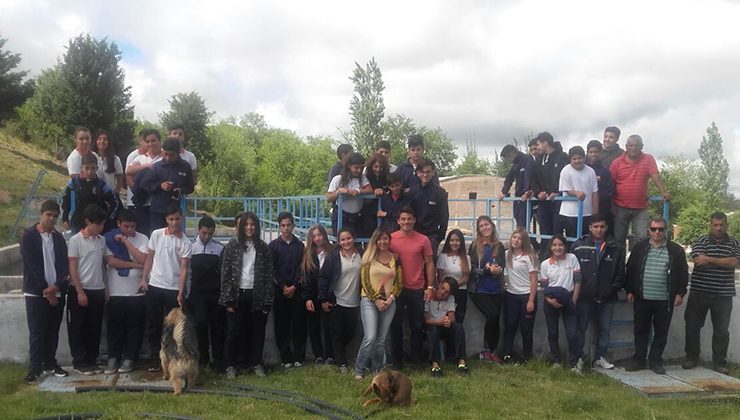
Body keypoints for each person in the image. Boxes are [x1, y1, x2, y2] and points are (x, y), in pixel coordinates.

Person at [624, 217, 688, 374]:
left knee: (661, 332)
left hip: (665, 300)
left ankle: (655, 361)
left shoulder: (676, 250)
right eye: (654, 229)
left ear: (665, 230)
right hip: (642, 298)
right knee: (640, 330)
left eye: (660, 229)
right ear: (649, 231)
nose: (657, 232)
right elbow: (630, 270)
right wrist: (629, 290)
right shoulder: (639, 247)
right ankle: (639, 360)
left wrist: (680, 293)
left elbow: (683, 273)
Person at [683, 212, 740, 374]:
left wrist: (709, 259)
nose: (718, 228)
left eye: (721, 225)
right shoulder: (701, 240)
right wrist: (722, 261)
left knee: (722, 330)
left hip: (723, 294)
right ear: (710, 225)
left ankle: (720, 362)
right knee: (692, 326)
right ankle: (692, 357)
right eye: (715, 225)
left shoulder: (734, 243)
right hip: (699, 292)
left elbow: (734, 262)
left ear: (726, 225)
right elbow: (698, 262)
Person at [220, 212, 275, 378]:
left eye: (252, 225)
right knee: (234, 331)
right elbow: (226, 273)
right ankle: (231, 365)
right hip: (237, 295)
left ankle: (256, 363)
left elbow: (268, 275)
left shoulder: (264, 248)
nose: (249, 228)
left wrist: (267, 300)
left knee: (258, 331)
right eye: (246, 225)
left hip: (257, 295)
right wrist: (228, 299)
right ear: (241, 227)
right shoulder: (232, 245)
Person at [139, 204, 192, 372]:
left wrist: (180, 291)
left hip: (173, 290)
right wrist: (144, 279)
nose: (174, 222)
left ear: (181, 218)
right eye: (171, 219)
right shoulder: (156, 235)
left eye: (177, 219)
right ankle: (156, 358)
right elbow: (149, 258)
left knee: (172, 327)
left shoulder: (185, 241)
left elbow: (184, 268)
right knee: (154, 324)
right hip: (155, 285)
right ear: (166, 220)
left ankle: (172, 359)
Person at [21, 200, 69, 383]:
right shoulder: (29, 236)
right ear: (41, 214)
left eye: (55, 216)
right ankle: (35, 368)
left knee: (52, 330)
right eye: (48, 215)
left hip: (56, 291)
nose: (52, 219)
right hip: (36, 293)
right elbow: (32, 266)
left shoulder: (58, 238)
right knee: (37, 331)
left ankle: (50, 362)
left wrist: (56, 287)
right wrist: (46, 290)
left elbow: (64, 266)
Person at [571, 214, 625, 371]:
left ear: (606, 228)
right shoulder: (578, 246)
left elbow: (620, 273)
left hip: (606, 297)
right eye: (596, 226)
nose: (599, 230)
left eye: (602, 226)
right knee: (581, 329)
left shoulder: (616, 248)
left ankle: (600, 357)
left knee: (604, 329)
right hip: (584, 297)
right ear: (590, 228)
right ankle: (578, 358)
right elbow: (572, 271)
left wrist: (610, 289)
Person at [103, 209, 148, 374]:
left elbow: (144, 258)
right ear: (118, 224)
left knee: (134, 327)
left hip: (136, 292)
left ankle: (130, 358)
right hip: (116, 291)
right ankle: (113, 357)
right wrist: (135, 264)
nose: (129, 229)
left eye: (132, 226)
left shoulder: (142, 238)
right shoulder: (109, 238)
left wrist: (126, 241)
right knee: (115, 327)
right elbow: (112, 262)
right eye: (126, 226)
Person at [389, 207, 435, 369]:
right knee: (396, 325)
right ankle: (397, 362)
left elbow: (430, 263)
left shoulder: (424, 240)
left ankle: (416, 361)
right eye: (403, 219)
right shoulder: (391, 239)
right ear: (398, 221)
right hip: (396, 288)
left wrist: (430, 286)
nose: (406, 222)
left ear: (414, 220)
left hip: (417, 288)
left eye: (409, 218)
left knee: (417, 325)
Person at [354, 228, 403, 380]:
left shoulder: (395, 257)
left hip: (389, 302)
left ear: (389, 240)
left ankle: (377, 371)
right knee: (370, 337)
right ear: (375, 241)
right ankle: (359, 370)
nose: (383, 242)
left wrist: (390, 299)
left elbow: (399, 282)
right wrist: (377, 299)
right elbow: (365, 281)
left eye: (385, 239)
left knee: (381, 340)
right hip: (369, 301)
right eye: (379, 239)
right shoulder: (368, 257)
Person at [66, 204, 108, 375]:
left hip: (98, 288)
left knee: (94, 327)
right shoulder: (75, 240)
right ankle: (80, 362)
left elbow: (103, 266)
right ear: (87, 222)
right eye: (97, 224)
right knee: (78, 327)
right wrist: (80, 291)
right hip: (80, 289)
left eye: (103, 224)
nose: (100, 227)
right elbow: (73, 267)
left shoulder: (102, 240)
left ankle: (92, 360)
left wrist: (106, 287)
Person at [609, 134, 670, 248]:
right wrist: (611, 204)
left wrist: (664, 191)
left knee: (642, 238)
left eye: (636, 145)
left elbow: (655, 175)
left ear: (642, 146)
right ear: (626, 146)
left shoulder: (648, 159)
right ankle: (619, 266)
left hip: (640, 208)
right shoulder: (616, 163)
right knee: (619, 239)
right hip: (620, 206)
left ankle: (637, 265)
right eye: (631, 145)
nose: (633, 148)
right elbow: (610, 185)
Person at [318, 228, 363, 374]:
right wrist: (323, 299)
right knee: (336, 333)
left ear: (353, 238)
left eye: (348, 238)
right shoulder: (333, 257)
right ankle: (342, 362)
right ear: (339, 242)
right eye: (343, 239)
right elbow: (323, 278)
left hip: (355, 302)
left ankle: (335, 355)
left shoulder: (361, 254)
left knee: (349, 333)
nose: (346, 242)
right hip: (337, 301)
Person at [269, 212, 307, 369]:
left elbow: (302, 268)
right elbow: (272, 269)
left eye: (289, 225)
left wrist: (294, 286)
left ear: (293, 225)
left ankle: (299, 356)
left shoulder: (300, 246)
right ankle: (286, 358)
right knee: (281, 324)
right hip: (280, 290)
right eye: (283, 225)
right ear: (279, 226)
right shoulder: (273, 246)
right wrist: (283, 286)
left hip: (296, 290)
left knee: (298, 324)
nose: (286, 228)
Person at [188, 216, 225, 371]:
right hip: (197, 294)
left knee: (217, 326)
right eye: (204, 233)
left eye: (210, 233)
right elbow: (187, 272)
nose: (207, 236)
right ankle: (203, 357)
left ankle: (218, 359)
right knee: (200, 324)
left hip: (215, 293)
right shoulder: (190, 246)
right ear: (199, 230)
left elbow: (223, 273)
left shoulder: (219, 248)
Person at [524, 132, 569, 258]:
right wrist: (538, 193)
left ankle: (560, 258)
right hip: (543, 203)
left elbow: (567, 177)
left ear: (545, 143)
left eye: (538, 144)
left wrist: (558, 192)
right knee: (544, 232)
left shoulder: (563, 157)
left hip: (558, 202)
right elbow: (533, 179)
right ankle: (546, 258)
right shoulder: (538, 160)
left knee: (557, 232)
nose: (537, 147)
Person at [468, 215, 506, 364]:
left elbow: (502, 266)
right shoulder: (474, 245)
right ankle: (485, 350)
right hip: (478, 288)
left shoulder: (499, 246)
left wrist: (497, 269)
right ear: (478, 229)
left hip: (496, 287)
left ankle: (493, 352)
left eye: (487, 224)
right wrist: (486, 270)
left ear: (492, 225)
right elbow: (471, 268)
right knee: (493, 314)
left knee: (496, 319)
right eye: (481, 226)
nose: (485, 227)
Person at [540, 234, 581, 370]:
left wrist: (573, 300)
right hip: (551, 301)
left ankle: (574, 363)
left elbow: (578, 280)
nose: (558, 248)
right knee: (553, 333)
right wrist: (550, 301)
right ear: (551, 247)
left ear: (565, 246)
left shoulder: (572, 258)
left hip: (569, 298)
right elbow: (544, 287)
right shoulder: (545, 264)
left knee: (572, 333)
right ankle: (555, 360)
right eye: (554, 245)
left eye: (560, 245)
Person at [139, 137, 195, 232]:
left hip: (176, 213)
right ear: (163, 151)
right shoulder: (156, 167)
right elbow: (146, 185)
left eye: (172, 155)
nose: (168, 158)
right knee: (157, 240)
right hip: (158, 211)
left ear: (178, 153)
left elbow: (190, 187)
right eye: (166, 154)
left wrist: (181, 190)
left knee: (176, 240)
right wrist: (160, 185)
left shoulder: (185, 166)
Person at [502, 227, 538, 364]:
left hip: (526, 296)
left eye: (519, 238)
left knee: (526, 328)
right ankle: (507, 354)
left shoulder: (529, 257)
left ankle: (527, 356)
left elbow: (534, 280)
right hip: (511, 295)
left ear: (524, 242)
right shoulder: (507, 255)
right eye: (514, 237)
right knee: (510, 326)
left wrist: (531, 300)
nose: (516, 240)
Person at [300, 224, 335, 365]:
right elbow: (305, 277)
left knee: (329, 326)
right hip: (313, 295)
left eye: (319, 235)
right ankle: (318, 355)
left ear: (324, 235)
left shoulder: (332, 251)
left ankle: (330, 355)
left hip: (328, 295)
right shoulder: (308, 253)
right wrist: (307, 298)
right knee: (314, 327)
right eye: (314, 236)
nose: (317, 238)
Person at [61, 154, 119, 234]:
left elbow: (114, 202)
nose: (89, 171)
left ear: (97, 169)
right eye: (87, 168)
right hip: (78, 223)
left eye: (93, 168)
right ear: (81, 168)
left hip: (96, 224)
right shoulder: (74, 183)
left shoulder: (101, 185)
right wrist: (65, 218)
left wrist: (106, 219)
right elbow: (67, 201)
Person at [425, 277, 468, 376]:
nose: (443, 292)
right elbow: (426, 320)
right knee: (434, 330)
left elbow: (452, 317)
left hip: (444, 325)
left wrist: (448, 320)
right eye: (443, 288)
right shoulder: (429, 296)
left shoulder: (450, 299)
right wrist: (438, 322)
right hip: (432, 325)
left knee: (458, 327)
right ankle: (435, 364)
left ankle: (461, 362)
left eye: (447, 292)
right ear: (440, 285)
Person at [126, 128, 163, 236]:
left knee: (158, 236)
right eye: (148, 141)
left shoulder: (164, 158)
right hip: (142, 204)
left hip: (158, 205)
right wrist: (146, 166)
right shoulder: (141, 158)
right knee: (142, 234)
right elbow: (129, 170)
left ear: (159, 141)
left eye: (153, 140)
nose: (151, 144)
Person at [558, 146, 599, 240]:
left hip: (587, 213)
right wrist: (576, 193)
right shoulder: (565, 170)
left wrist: (595, 212)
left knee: (587, 239)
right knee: (572, 240)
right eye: (574, 159)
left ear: (584, 158)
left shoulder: (591, 171)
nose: (577, 161)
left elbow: (595, 192)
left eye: (580, 158)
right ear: (570, 160)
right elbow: (566, 189)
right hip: (570, 214)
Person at [410, 158, 449, 256]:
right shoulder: (412, 192)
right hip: (414, 234)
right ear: (418, 173)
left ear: (433, 172)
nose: (425, 175)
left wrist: (439, 237)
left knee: (430, 265)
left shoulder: (440, 193)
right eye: (422, 172)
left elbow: (444, 216)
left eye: (428, 172)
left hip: (432, 236)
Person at [326, 152, 372, 235]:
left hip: (357, 217)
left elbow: (370, 189)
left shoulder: (362, 178)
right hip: (341, 216)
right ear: (348, 166)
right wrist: (339, 192)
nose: (359, 170)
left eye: (361, 168)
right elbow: (329, 198)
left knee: (357, 243)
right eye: (356, 168)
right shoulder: (338, 179)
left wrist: (357, 191)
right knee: (343, 242)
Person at [437, 229, 471, 323]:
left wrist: (453, 285)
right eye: (452, 240)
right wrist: (448, 288)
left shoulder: (466, 258)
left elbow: (465, 278)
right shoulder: (442, 256)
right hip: (446, 293)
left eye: (457, 240)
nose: (454, 243)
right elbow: (440, 278)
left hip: (461, 293)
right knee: (445, 320)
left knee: (458, 320)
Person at [500, 144, 534, 229]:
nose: (508, 160)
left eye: (508, 157)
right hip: (518, 197)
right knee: (518, 222)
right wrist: (504, 192)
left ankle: (526, 240)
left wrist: (527, 191)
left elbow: (528, 175)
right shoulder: (515, 164)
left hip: (527, 196)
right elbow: (509, 178)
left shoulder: (527, 159)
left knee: (522, 225)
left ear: (512, 153)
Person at [586, 140, 615, 236]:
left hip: (602, 210)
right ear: (587, 153)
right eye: (591, 152)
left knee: (604, 235)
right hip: (585, 209)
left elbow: (609, 191)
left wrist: (596, 198)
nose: (593, 154)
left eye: (596, 152)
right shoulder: (582, 170)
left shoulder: (605, 171)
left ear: (600, 153)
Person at [361, 153, 391, 237]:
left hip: (384, 211)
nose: (378, 169)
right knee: (370, 238)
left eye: (380, 167)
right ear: (371, 166)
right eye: (375, 167)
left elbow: (392, 189)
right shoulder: (365, 177)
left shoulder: (388, 177)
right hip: (368, 212)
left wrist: (383, 191)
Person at [125, 130, 148, 208]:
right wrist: (137, 192)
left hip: (150, 201)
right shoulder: (133, 156)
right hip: (134, 201)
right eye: (145, 140)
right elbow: (128, 177)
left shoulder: (156, 155)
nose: (147, 143)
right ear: (140, 140)